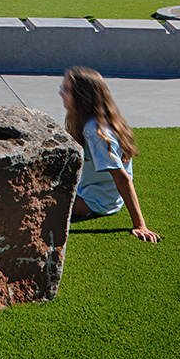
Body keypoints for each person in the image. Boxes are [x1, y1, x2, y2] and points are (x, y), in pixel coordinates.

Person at [59, 66, 159, 242]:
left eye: (67, 90)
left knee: (35, 201)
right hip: (89, 191)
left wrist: (139, 225)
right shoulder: (85, 121)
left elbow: (123, 177)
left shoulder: (95, 131)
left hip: (95, 201)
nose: (61, 93)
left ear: (82, 97)